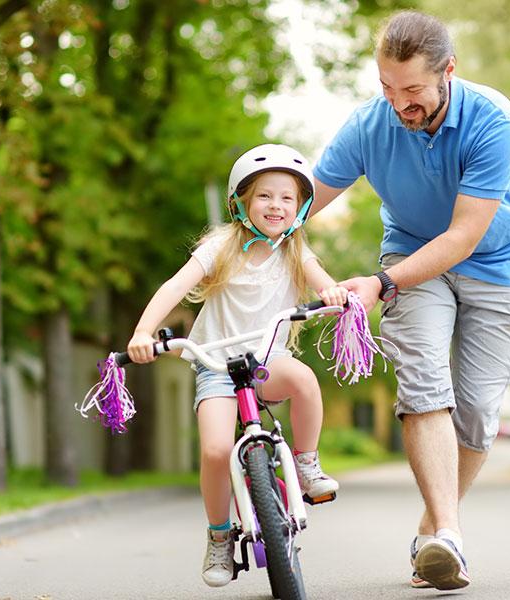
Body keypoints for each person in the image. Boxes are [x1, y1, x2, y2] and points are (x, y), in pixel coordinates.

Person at [310, 11, 510, 591]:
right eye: (387, 87)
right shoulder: (369, 124)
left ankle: (434, 529)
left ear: (448, 73)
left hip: (495, 262)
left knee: (480, 411)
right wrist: (250, 223)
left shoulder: (494, 119)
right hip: (411, 261)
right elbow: (304, 198)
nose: (398, 104)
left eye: (412, 90)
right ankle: (449, 539)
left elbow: (464, 235)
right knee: (423, 383)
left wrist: (379, 286)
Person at [126, 144, 349, 588]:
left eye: (287, 198)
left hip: (269, 361)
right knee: (213, 451)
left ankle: (305, 463)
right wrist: (142, 332)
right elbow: (175, 286)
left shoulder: (294, 250)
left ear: (301, 207)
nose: (276, 206)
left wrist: (335, 295)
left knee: (304, 379)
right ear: (242, 201)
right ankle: (219, 536)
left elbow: (325, 284)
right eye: (265, 196)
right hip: (216, 366)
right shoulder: (222, 246)